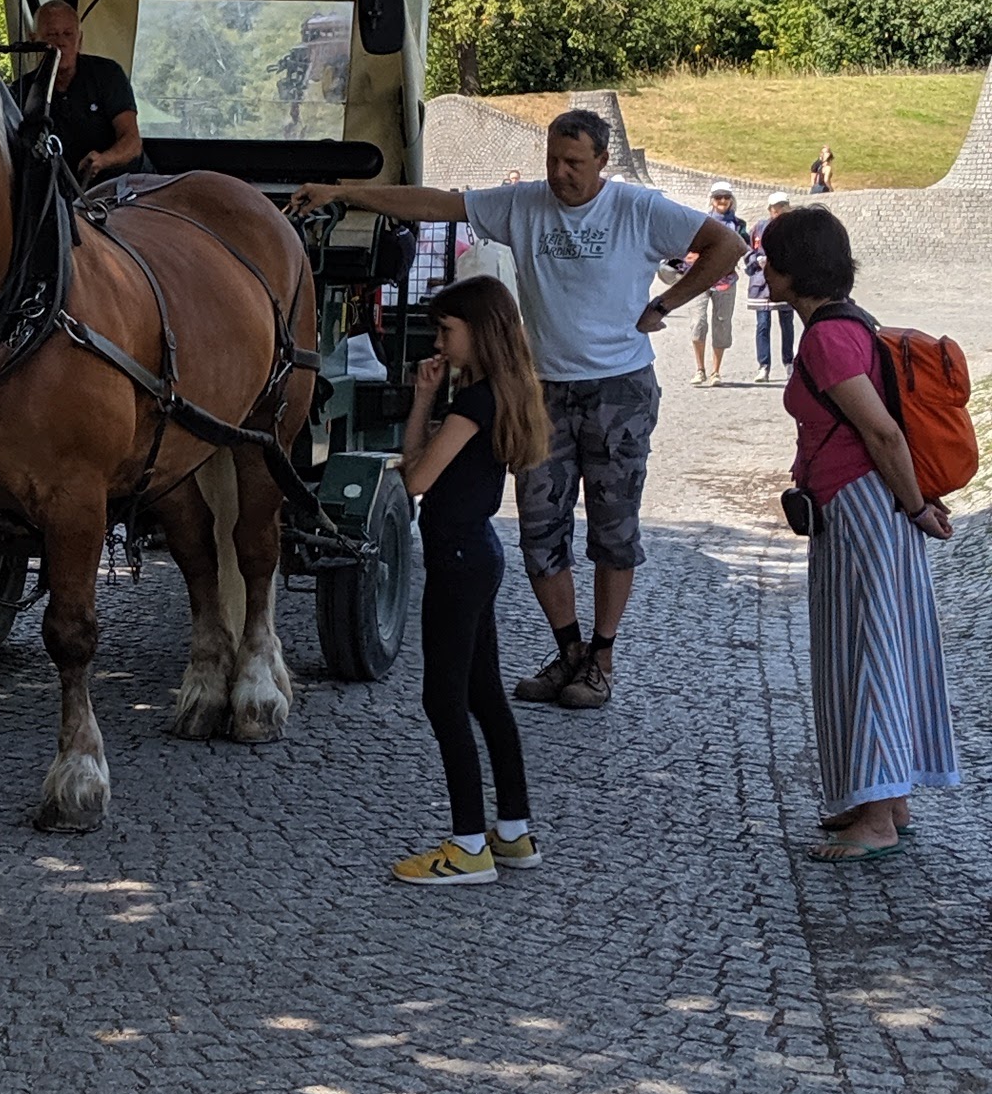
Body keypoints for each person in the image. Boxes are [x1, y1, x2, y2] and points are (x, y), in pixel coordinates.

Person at [294, 109, 744, 709]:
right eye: (553, 160)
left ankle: (601, 658)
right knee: (539, 529)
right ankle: (569, 653)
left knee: (614, 530)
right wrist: (346, 194)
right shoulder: (525, 203)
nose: (560, 174)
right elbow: (437, 204)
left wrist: (665, 304)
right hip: (542, 391)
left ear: (602, 162)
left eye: (575, 164)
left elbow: (727, 244)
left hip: (620, 390)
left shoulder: (640, 209)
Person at [764, 202, 956, 859]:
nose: (763, 265)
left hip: (863, 509)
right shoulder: (849, 323)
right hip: (867, 506)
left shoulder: (825, 337)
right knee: (876, 649)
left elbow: (882, 432)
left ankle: (875, 820)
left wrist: (912, 507)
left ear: (793, 268)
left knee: (868, 654)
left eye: (771, 255)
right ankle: (889, 802)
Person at [392, 276, 551, 887]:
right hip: (476, 551)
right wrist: (426, 399)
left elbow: (414, 480)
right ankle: (512, 833)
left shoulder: (473, 403)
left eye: (447, 330)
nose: (439, 341)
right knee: (484, 697)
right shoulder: (498, 393)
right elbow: (419, 469)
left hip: (458, 558)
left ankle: (466, 847)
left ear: (479, 331)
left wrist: (427, 405)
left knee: (444, 699)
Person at [15, 0, 142, 183]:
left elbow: (132, 141)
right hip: (58, 196)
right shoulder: (21, 91)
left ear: (80, 40)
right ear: (33, 40)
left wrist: (104, 160)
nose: (61, 42)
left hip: (121, 188)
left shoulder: (107, 74)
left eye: (68, 34)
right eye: (51, 35)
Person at [687, 187, 741, 385]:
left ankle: (716, 371)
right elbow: (688, 246)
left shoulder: (738, 224)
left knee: (722, 323)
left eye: (727, 197)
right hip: (700, 278)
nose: (723, 200)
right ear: (711, 200)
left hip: (725, 280)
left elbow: (743, 248)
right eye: (719, 197)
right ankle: (699, 369)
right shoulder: (700, 222)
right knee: (698, 323)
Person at [745, 198, 796, 380]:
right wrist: (756, 261)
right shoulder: (759, 227)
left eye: (782, 207)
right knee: (763, 325)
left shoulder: (792, 229)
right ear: (770, 208)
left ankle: (789, 362)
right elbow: (749, 251)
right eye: (775, 207)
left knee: (786, 323)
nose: (778, 210)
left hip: (783, 282)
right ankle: (763, 365)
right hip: (761, 283)